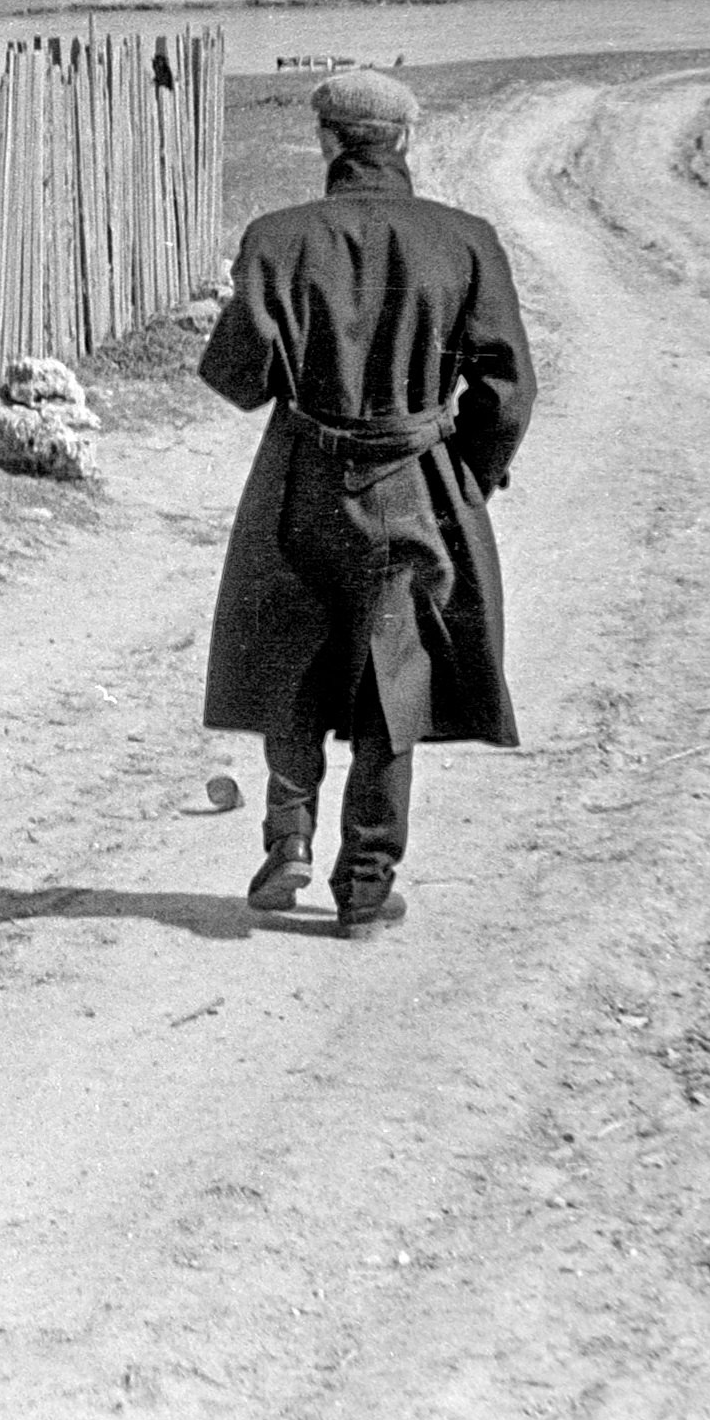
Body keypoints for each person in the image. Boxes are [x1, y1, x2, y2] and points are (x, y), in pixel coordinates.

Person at [198, 68, 536, 938]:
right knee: (397, 678)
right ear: (405, 143)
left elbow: (237, 378)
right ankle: (364, 885)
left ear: (324, 141)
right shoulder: (465, 241)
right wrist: (470, 470)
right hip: (415, 483)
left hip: (301, 474)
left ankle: (287, 837)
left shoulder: (277, 237)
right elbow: (506, 387)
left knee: (292, 657)